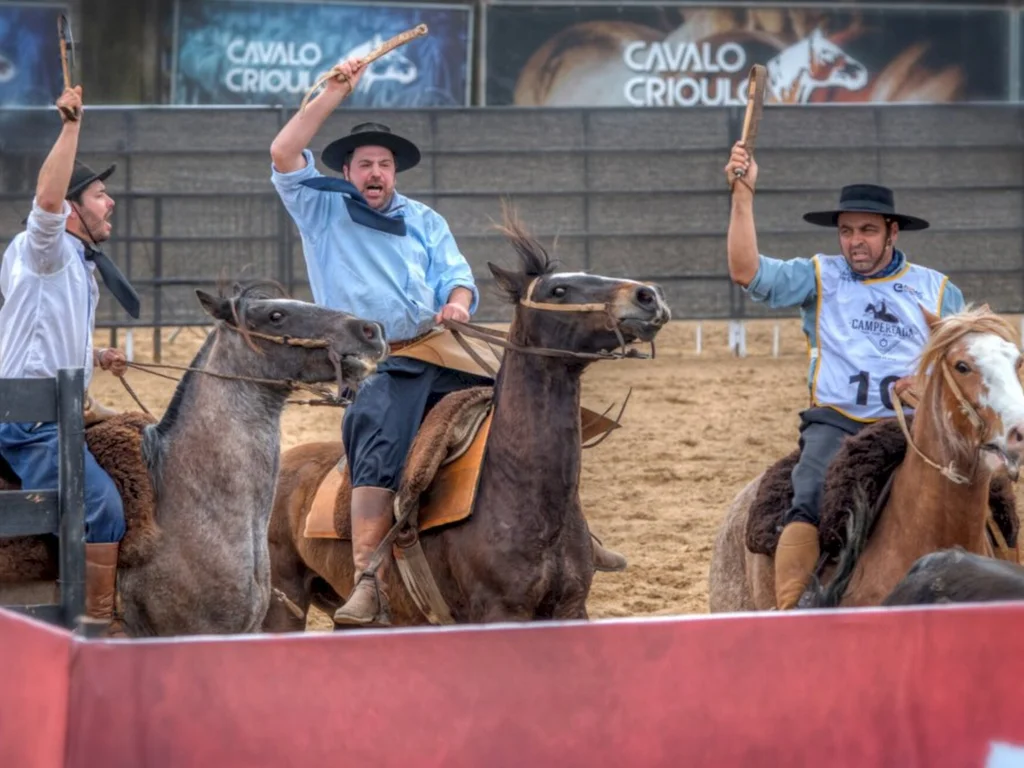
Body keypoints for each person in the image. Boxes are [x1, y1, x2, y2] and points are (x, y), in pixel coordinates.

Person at [269, 58, 628, 626]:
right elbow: (285, 153)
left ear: (394, 173)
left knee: (528, 414)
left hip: (442, 344)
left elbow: (456, 274)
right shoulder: (321, 209)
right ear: (346, 171)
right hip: (378, 358)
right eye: (365, 164)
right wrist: (333, 93)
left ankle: (574, 534)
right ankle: (369, 575)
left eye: (384, 165)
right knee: (380, 424)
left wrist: (459, 301)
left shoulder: (425, 219)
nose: (376, 173)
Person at [723, 141, 965, 610]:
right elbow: (745, 270)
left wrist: (928, 382)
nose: (856, 240)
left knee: (987, 491)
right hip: (837, 421)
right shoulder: (819, 275)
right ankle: (794, 609)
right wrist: (743, 197)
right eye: (847, 230)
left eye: (868, 230)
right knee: (809, 496)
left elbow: (965, 357)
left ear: (892, 232)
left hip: (916, 424)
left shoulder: (937, 290)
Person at [0, 85, 141, 630]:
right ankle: (95, 625)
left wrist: (94, 353)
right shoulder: (47, 247)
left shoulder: (74, 264)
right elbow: (46, 203)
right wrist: (71, 126)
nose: (111, 203)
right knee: (102, 507)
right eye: (101, 194)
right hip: (33, 421)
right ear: (76, 207)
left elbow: (42, 331)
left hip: (60, 409)